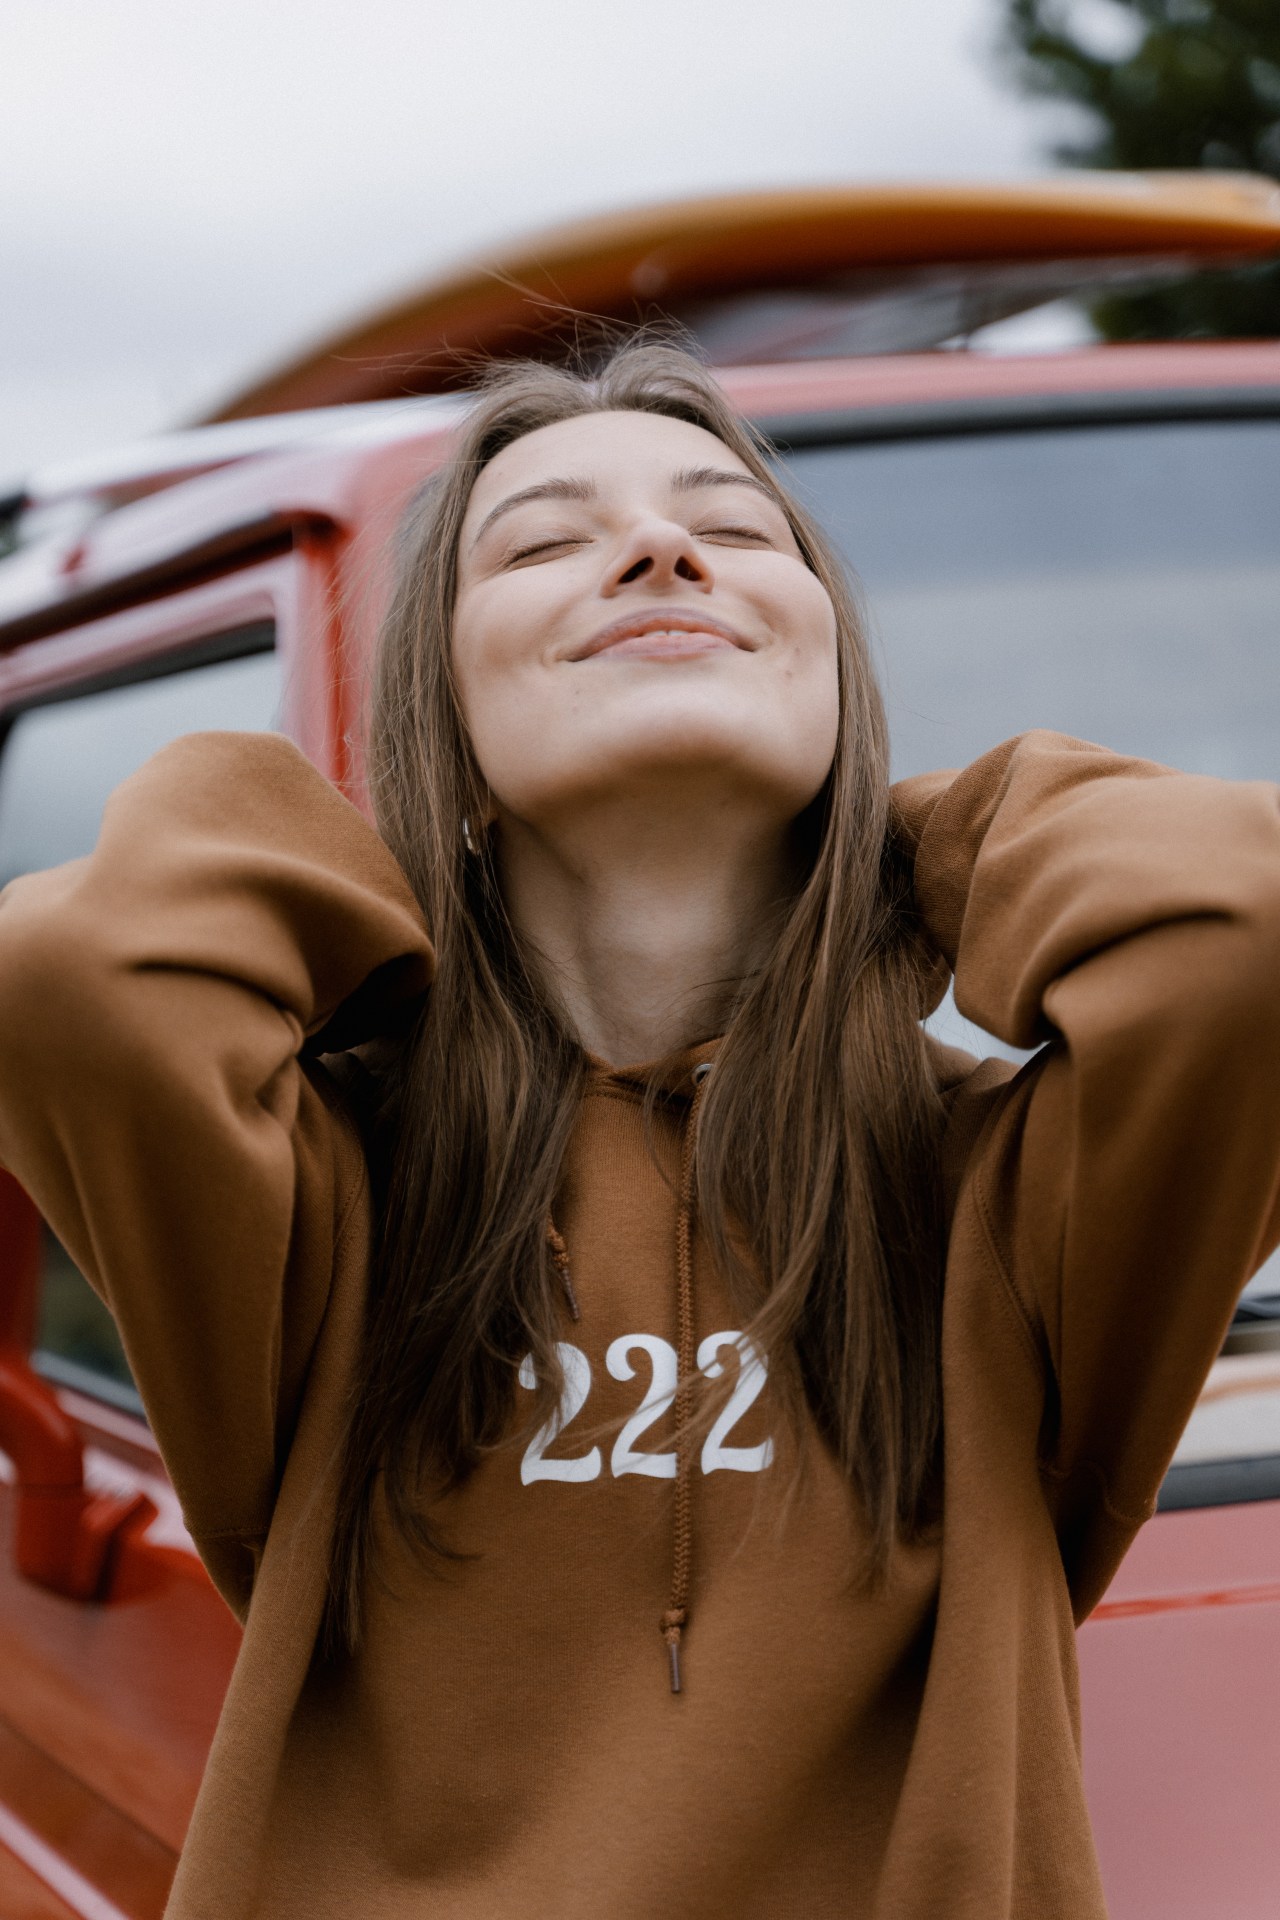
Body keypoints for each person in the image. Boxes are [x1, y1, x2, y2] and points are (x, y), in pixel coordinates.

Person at [0, 341, 1276, 1920]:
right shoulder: (333, 1193)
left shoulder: (991, 1205)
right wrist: (423, 889)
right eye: (540, 543)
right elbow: (76, 976)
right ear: (443, 706)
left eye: (738, 533)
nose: (664, 550)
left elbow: (1243, 932)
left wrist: (885, 849)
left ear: (829, 660)